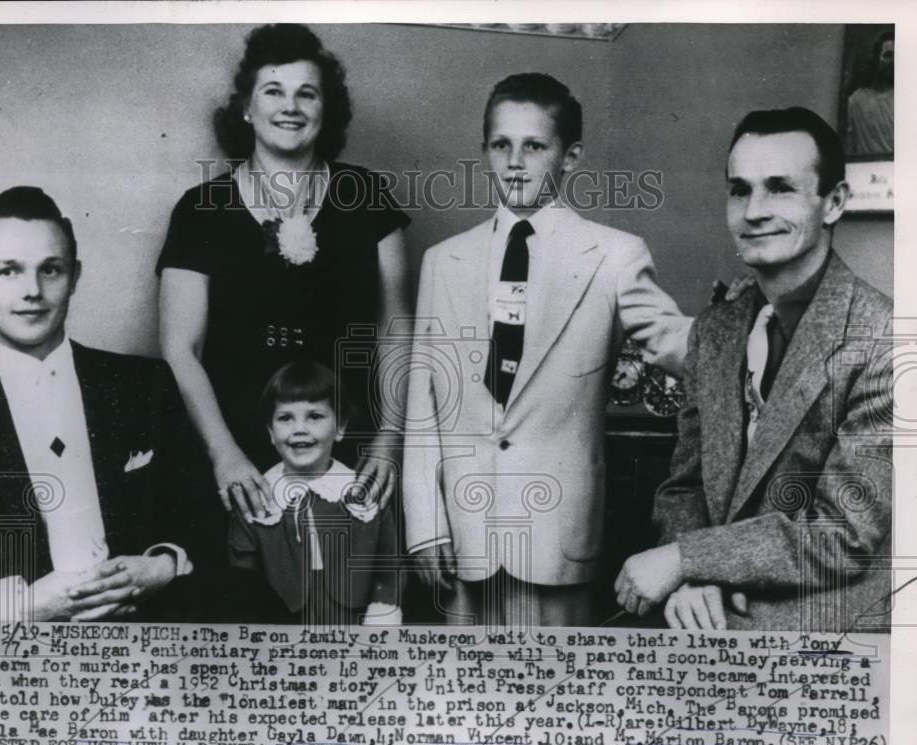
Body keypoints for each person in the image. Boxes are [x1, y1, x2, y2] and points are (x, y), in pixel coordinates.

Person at [403, 73, 692, 627]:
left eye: (534, 146)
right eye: (500, 145)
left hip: (557, 539)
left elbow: (676, 341)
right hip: (464, 537)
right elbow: (423, 406)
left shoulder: (614, 255)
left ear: (571, 156)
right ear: (484, 151)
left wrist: (761, 327)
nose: (515, 162)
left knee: (553, 695)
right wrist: (425, 523)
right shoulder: (444, 261)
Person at [615, 107, 892, 633]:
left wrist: (683, 561)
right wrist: (693, 576)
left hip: (829, 640)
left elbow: (843, 532)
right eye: (740, 190)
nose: (754, 211)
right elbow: (685, 488)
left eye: (780, 188)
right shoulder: (715, 332)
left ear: (833, 203)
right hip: (706, 621)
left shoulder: (884, 341)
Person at [157, 24, 411, 542]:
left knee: (349, 599)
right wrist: (224, 454)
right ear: (247, 109)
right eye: (273, 91)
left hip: (348, 448)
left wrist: (389, 440)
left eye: (307, 93)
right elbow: (180, 347)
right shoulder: (201, 211)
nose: (290, 106)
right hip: (237, 451)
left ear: (326, 110)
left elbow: (396, 330)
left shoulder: (366, 196)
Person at [0, 187, 211, 622]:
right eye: (8, 271)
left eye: (50, 269)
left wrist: (161, 565)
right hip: (13, 655)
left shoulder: (145, 383)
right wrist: (25, 606)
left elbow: (204, 517)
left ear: (75, 275)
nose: (32, 290)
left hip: (148, 632)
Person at [228, 361, 401, 625]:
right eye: (286, 418)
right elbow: (242, 582)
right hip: (279, 636)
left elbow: (389, 571)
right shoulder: (256, 500)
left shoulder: (365, 496)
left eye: (315, 416)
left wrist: (382, 618)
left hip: (356, 632)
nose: (300, 428)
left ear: (340, 426)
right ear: (271, 433)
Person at [845, 31, 894, 156]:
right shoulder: (856, 101)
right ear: (876, 59)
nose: (893, 61)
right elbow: (850, 148)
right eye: (888, 55)